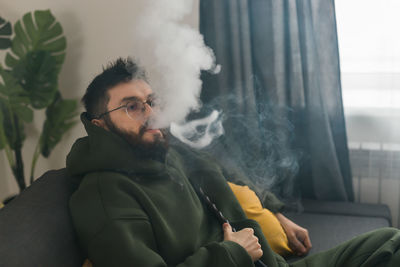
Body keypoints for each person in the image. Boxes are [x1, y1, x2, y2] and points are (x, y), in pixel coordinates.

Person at [68, 58, 400, 267]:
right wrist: (232, 253)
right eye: (132, 106)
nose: (151, 114)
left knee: (390, 240)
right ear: (98, 123)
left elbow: (227, 174)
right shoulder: (104, 195)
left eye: (151, 102)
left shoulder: (168, 155)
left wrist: (276, 214)